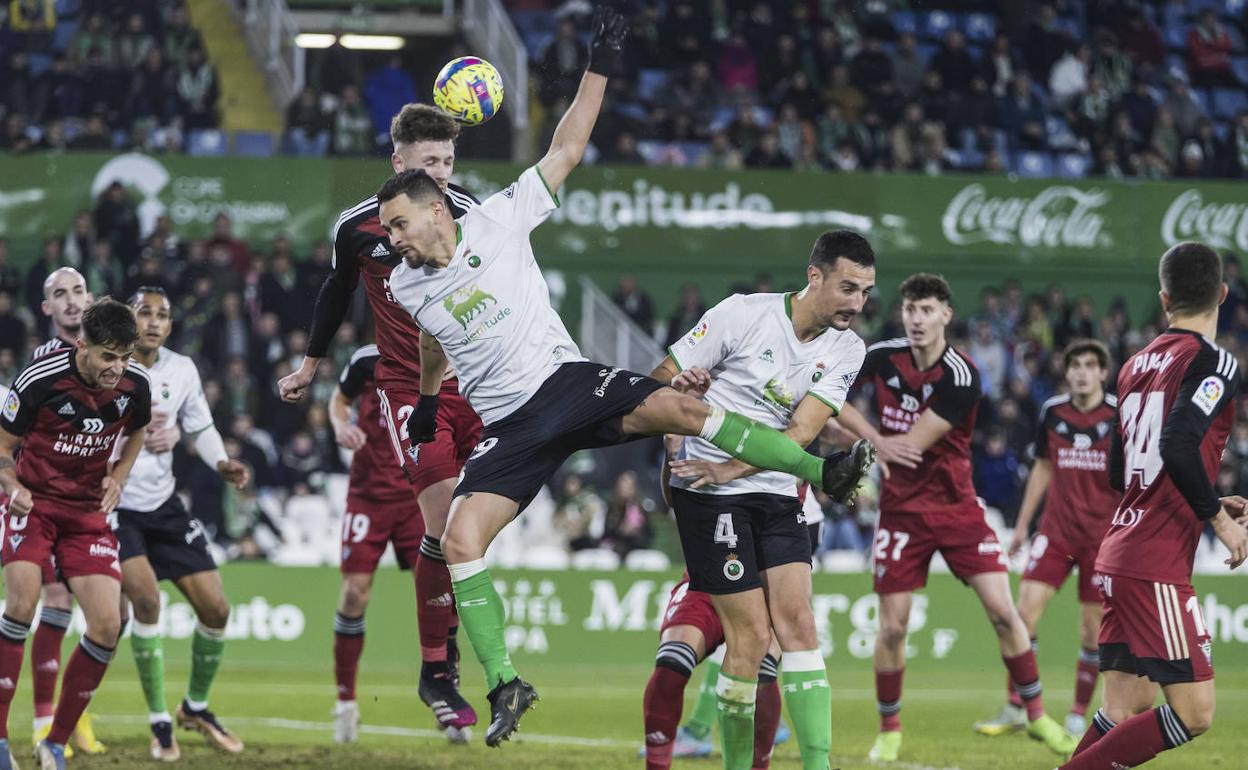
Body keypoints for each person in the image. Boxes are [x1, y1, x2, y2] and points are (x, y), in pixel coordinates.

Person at [381, 8, 867, 745]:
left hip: (565, 384)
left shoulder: (500, 220)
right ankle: (507, 683)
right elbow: (429, 338)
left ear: (433, 213)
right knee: (458, 540)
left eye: (397, 227)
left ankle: (818, 469)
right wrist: (424, 400)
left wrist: (599, 62)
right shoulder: (404, 283)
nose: (391, 240)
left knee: (681, 409)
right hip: (512, 426)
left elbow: (568, 144)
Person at [277, 102, 483, 734]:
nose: (442, 174)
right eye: (429, 162)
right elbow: (337, 291)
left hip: (476, 385)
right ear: (399, 163)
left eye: (448, 161)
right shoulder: (359, 228)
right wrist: (313, 364)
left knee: (469, 535)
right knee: (446, 526)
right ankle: (437, 668)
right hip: (405, 388)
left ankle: (445, 659)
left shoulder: (472, 216)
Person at [651, 230, 877, 770]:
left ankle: (818, 766)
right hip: (709, 496)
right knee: (749, 638)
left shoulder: (849, 348)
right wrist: (680, 393)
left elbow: (799, 433)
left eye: (866, 292)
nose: (857, 303)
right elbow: (658, 380)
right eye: (848, 287)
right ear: (814, 276)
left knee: (797, 622)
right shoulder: (741, 315)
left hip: (775, 489)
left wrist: (730, 464)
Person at [835, 273, 1074, 762]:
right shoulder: (882, 357)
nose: (917, 320)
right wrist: (871, 437)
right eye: (910, 310)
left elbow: (910, 448)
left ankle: (1036, 716)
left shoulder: (962, 375)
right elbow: (827, 395)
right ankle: (890, 729)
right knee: (893, 629)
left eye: (927, 311)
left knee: (1004, 614)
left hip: (957, 509)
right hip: (900, 513)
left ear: (946, 314)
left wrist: (865, 438)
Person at [1060, 242, 1248, 769]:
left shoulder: (1134, 364)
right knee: (1194, 713)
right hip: (1155, 562)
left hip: (1120, 549)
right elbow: (1177, 445)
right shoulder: (1214, 359)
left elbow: (1121, 472)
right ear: (1223, 294)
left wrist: (1205, 496)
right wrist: (1217, 520)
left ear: (1163, 298)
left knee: (1124, 706)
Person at [0, 298, 151, 770]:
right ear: (81, 345)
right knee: (22, 604)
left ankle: (55, 742)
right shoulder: (39, 379)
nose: (117, 368)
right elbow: (3, 447)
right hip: (35, 503)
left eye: (125, 356)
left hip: (87, 512)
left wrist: (120, 475)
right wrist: (12, 485)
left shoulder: (135, 383)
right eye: (108, 356)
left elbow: (139, 431)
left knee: (108, 625)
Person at [113, 287, 250, 760]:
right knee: (146, 600)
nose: (153, 321)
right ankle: (159, 722)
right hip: (116, 507)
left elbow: (201, 427)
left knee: (217, 610)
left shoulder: (182, 369)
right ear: (128, 318)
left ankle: (195, 707)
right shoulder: (109, 365)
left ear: (170, 325)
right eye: (144, 312)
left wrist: (221, 463)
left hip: (164, 505)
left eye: (162, 315)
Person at [975, 340, 1119, 738]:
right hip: (1055, 532)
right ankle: (1017, 705)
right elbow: (1041, 469)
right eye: (1075, 364)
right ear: (1067, 371)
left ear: (1103, 373)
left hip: (1101, 539)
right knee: (1021, 616)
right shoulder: (1053, 412)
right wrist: (1022, 526)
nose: (1081, 372)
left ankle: (1076, 713)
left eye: (1090, 365)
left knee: (1092, 631)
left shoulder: (1119, 415)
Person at [327, 344, 469, 743]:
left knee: (442, 596)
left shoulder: (445, 351)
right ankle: (345, 703)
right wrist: (340, 425)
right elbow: (339, 400)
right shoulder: (367, 359)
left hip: (416, 499)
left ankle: (448, 696)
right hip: (368, 496)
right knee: (354, 593)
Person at [642, 435, 787, 770]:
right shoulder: (705, 419)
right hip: (707, 572)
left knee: (763, 671)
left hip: (764, 578)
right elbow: (675, 500)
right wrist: (673, 455)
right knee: (671, 662)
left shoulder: (788, 422)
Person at [28, 267, 106, 756]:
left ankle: (73, 718)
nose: (73, 301)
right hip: (41, 502)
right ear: (48, 310)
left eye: (78, 291)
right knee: (56, 599)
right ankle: (43, 723)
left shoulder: (107, 361)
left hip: (88, 500)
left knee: (103, 613)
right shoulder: (45, 363)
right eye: (61, 295)